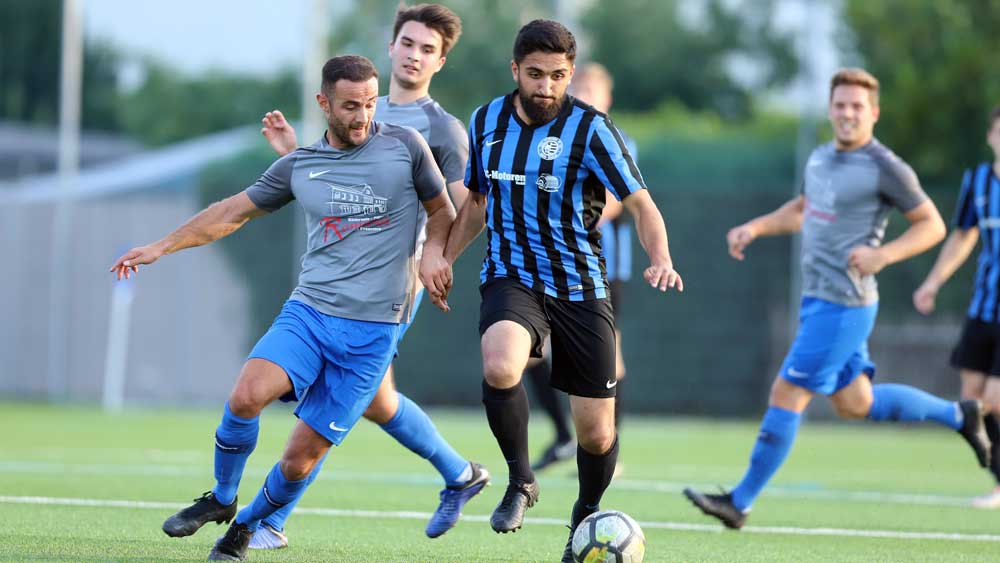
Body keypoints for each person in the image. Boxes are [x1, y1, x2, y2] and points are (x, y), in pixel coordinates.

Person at [111, 55, 458, 561]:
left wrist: (431, 253)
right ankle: (222, 499)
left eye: (368, 104)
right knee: (245, 396)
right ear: (323, 104)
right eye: (349, 106)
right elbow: (231, 213)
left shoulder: (406, 146)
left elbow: (443, 210)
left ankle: (248, 526)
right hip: (310, 311)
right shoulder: (300, 164)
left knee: (298, 463)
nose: (362, 116)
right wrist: (161, 246)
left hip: (373, 331)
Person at [683, 68, 991, 530]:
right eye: (841, 105)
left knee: (787, 389)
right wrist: (757, 227)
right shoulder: (821, 158)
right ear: (831, 109)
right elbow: (803, 211)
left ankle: (739, 502)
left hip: (846, 305)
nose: (848, 114)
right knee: (855, 403)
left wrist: (883, 255)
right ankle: (958, 414)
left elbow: (933, 225)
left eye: (857, 107)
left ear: (874, 113)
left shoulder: (886, 167)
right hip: (817, 300)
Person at [440, 20, 683, 562]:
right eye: (535, 74)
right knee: (502, 364)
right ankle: (521, 480)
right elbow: (477, 203)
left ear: (569, 74)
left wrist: (660, 257)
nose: (546, 86)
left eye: (557, 76)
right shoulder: (487, 122)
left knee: (597, 436)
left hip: (580, 285)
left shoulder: (594, 130)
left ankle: (585, 512)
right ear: (515, 71)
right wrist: (445, 259)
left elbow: (641, 205)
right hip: (512, 275)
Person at [250, 4, 488, 549]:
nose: (414, 54)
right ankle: (461, 474)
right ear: (391, 46)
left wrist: (434, 259)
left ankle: (271, 521)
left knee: (331, 401)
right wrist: (291, 153)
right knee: (377, 402)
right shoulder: (361, 105)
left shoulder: (442, 131)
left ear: (440, 61)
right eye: (408, 42)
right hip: (339, 283)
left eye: (427, 49)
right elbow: (329, 181)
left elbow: (458, 213)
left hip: (389, 293)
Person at [528, 62, 635, 475]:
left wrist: (571, 221)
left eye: (595, 88)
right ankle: (561, 436)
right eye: (581, 86)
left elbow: (618, 198)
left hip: (602, 268)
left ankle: (609, 447)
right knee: (529, 350)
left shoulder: (617, 140)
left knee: (609, 357)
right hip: (548, 264)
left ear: (607, 99)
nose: (587, 94)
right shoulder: (550, 138)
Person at [913, 104, 1000, 508]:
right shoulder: (979, 181)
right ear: (990, 135)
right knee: (971, 399)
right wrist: (933, 282)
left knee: (995, 399)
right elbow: (961, 236)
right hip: (984, 306)